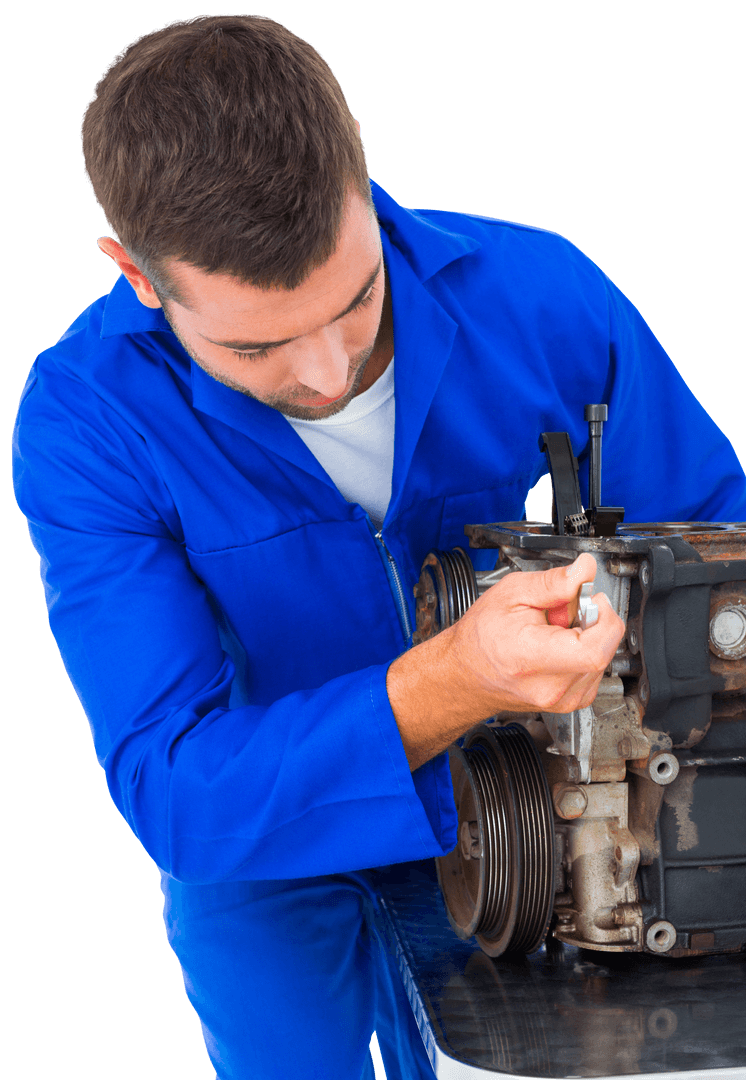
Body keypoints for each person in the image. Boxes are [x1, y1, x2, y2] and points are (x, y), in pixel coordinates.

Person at [12, 13, 746, 1080]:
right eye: (255, 346)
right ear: (135, 271)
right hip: (260, 850)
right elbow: (177, 790)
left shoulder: (542, 297)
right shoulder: (85, 420)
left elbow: (718, 569)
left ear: (356, 157)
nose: (323, 372)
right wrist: (451, 678)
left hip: (545, 817)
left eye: (355, 302)